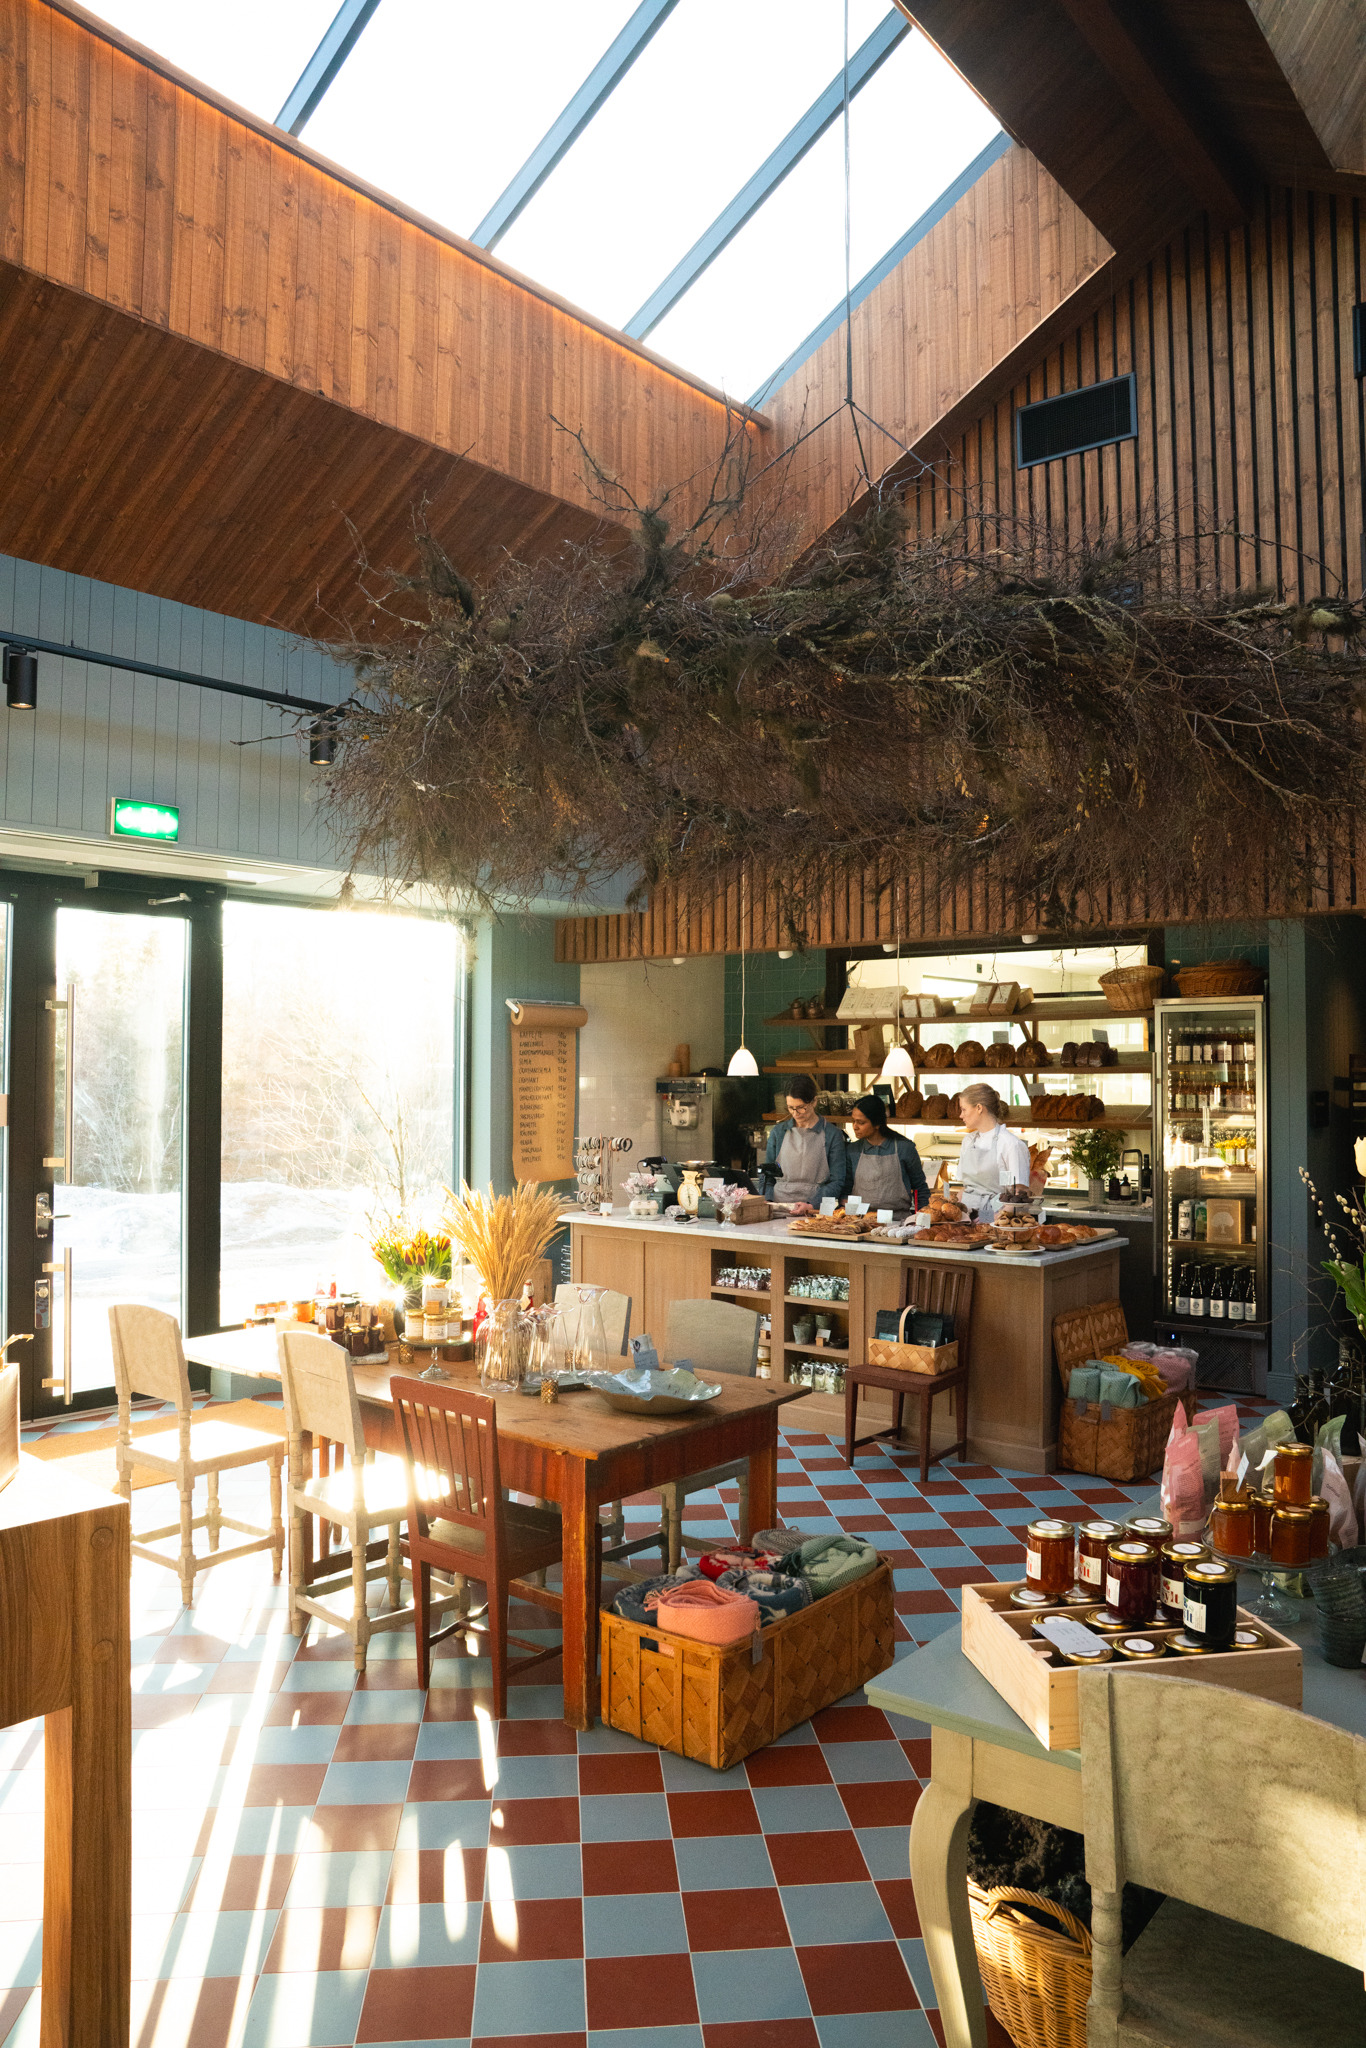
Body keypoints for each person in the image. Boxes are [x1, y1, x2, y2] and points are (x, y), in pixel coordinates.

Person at [759, 1075, 848, 1206]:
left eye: (801, 1107)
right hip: (779, 1206)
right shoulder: (778, 1132)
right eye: (790, 1107)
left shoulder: (832, 1134)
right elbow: (767, 1175)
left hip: (814, 1209)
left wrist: (812, 1204)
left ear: (814, 1101)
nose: (795, 1113)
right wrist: (767, 1200)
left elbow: (837, 1180)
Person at [843, 1094, 930, 1220]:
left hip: (898, 1221)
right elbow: (846, 1190)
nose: (855, 1126)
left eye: (861, 1122)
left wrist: (923, 1220)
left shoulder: (904, 1148)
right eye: (853, 1121)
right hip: (861, 1222)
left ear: (877, 1124)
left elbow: (920, 1188)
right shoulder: (852, 1150)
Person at [956, 1082, 1032, 1220]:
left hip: (997, 1220)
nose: (961, 1115)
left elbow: (1020, 1194)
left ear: (979, 1108)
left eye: (964, 1109)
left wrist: (989, 1218)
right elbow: (965, 1187)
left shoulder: (1010, 1144)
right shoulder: (967, 1141)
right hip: (966, 1219)